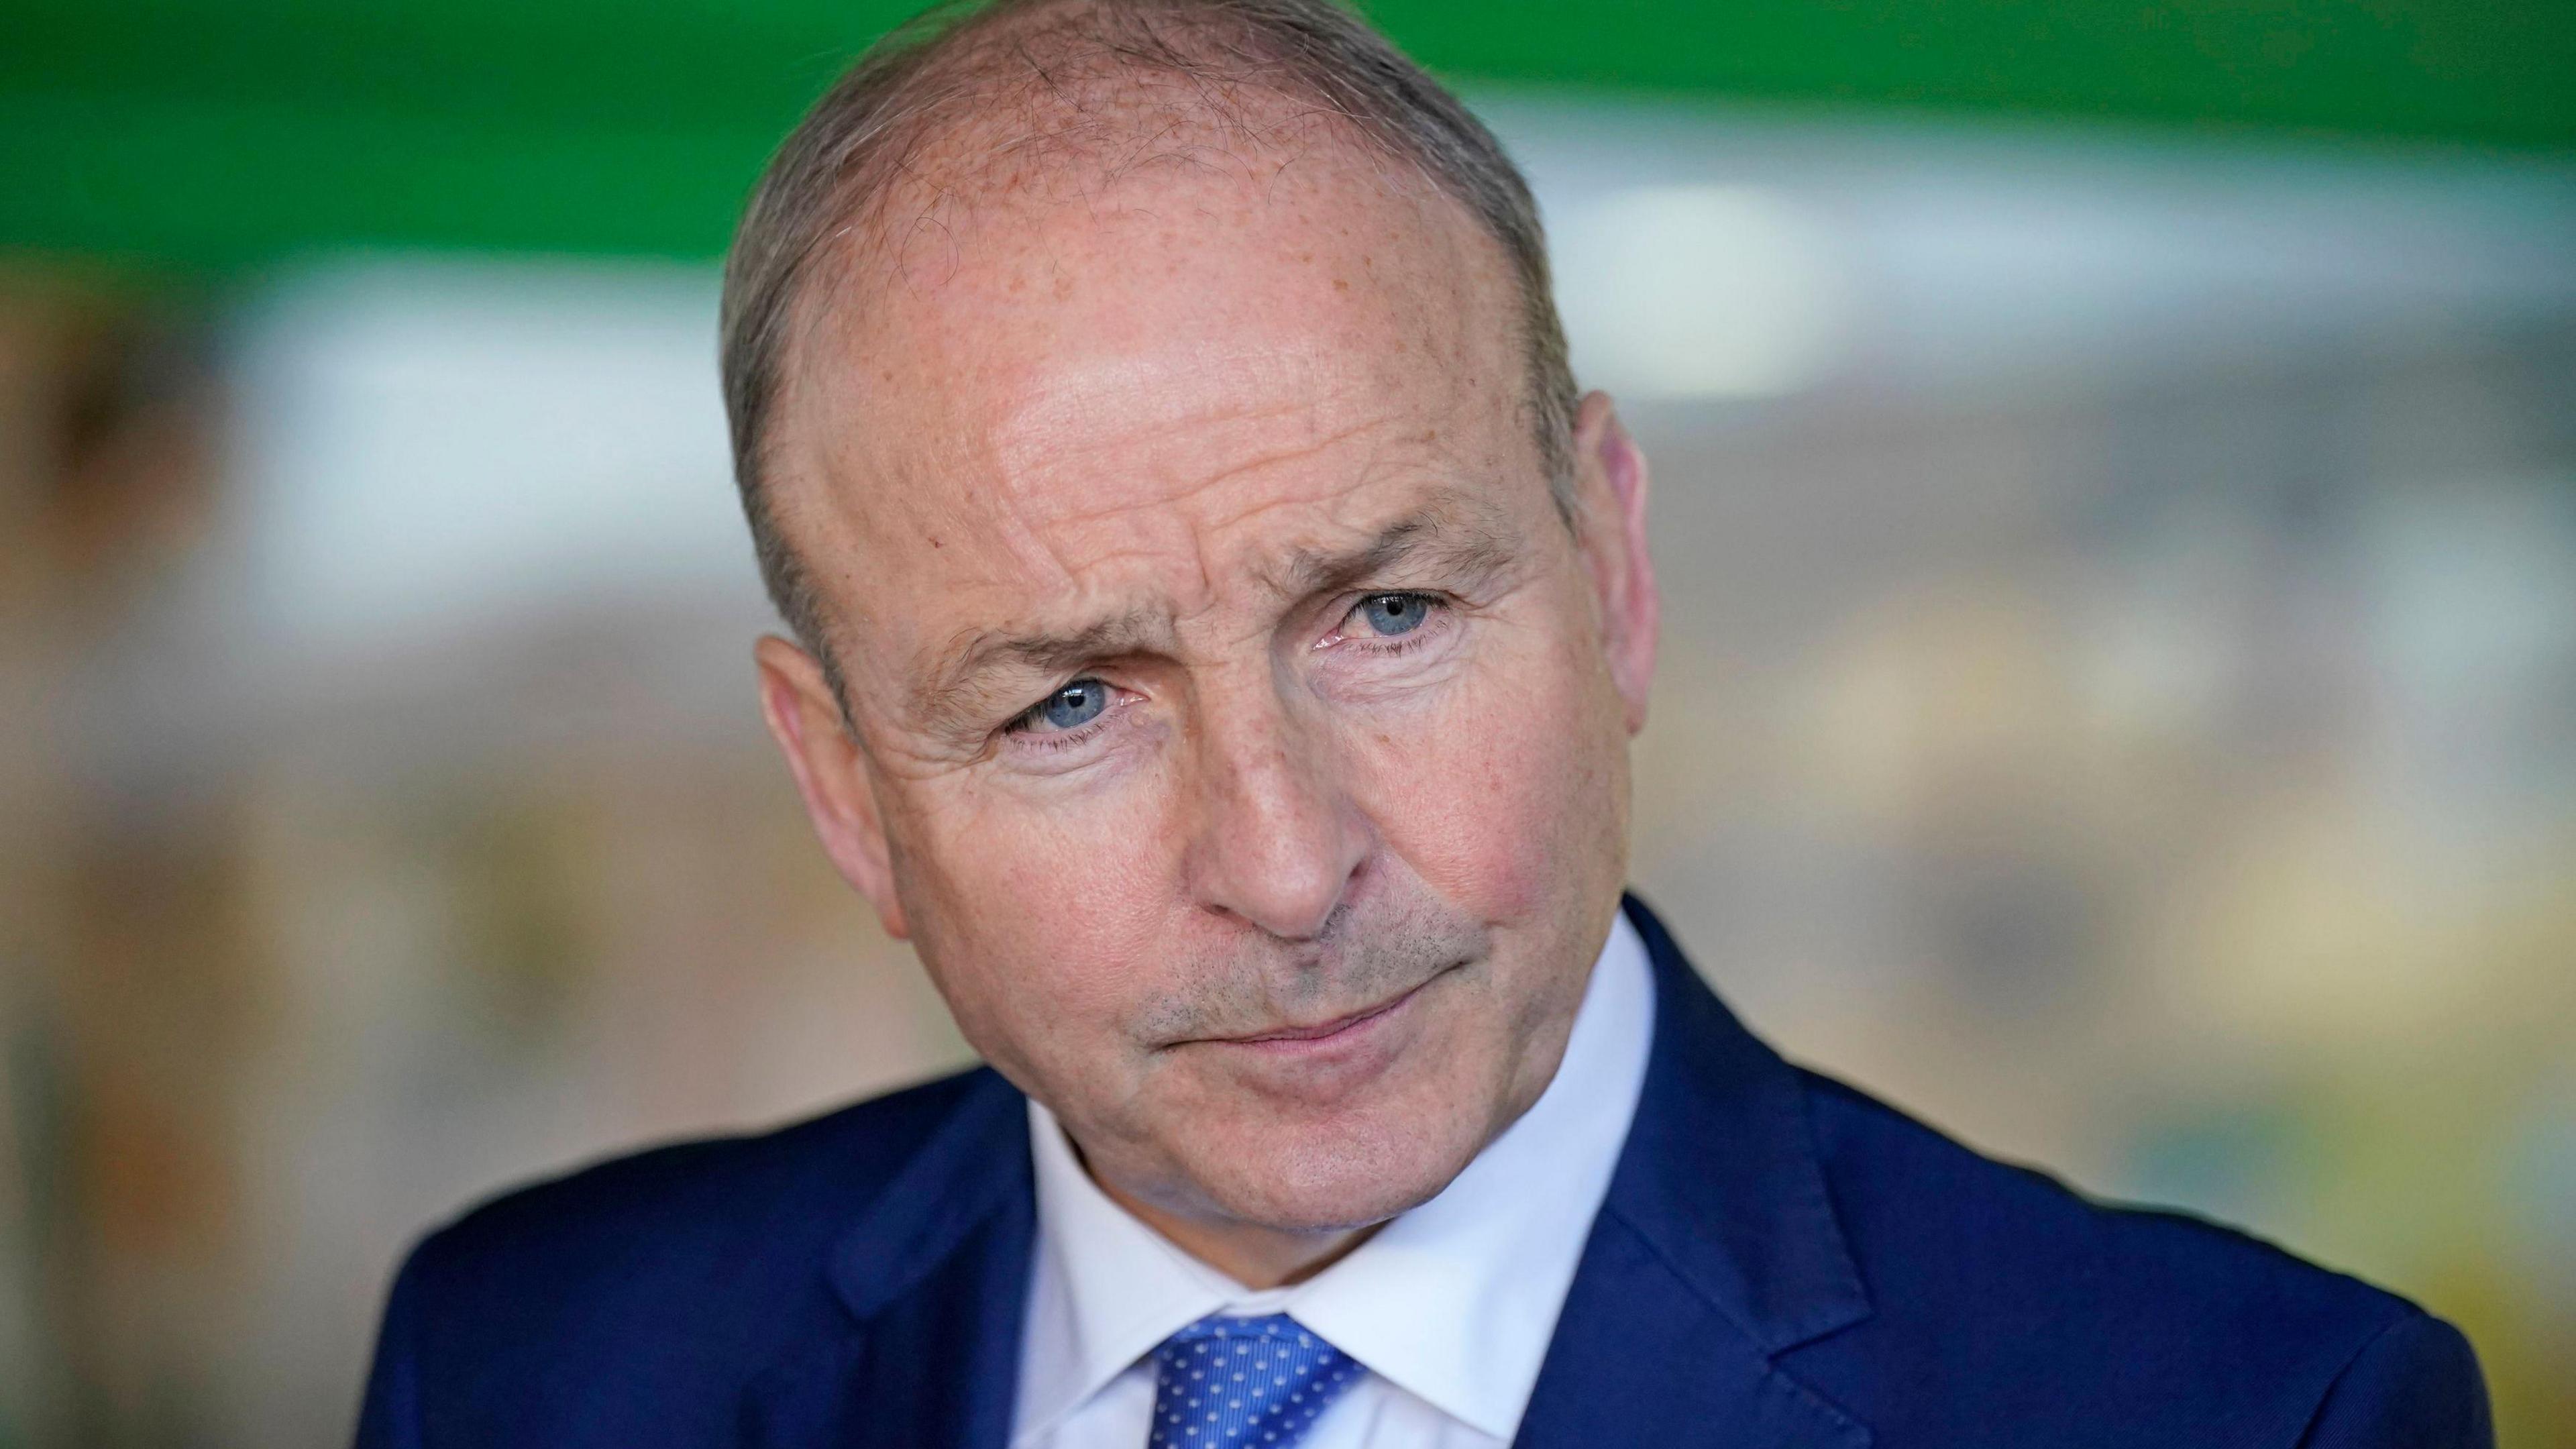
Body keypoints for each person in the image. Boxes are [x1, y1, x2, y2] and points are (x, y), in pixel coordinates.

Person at [352, 1, 2492, 1444]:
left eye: (1386, 612)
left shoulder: (2243, 1415)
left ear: (1615, 573)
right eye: (1072, 701)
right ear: (840, 784)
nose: (1287, 866)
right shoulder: (535, 1364)